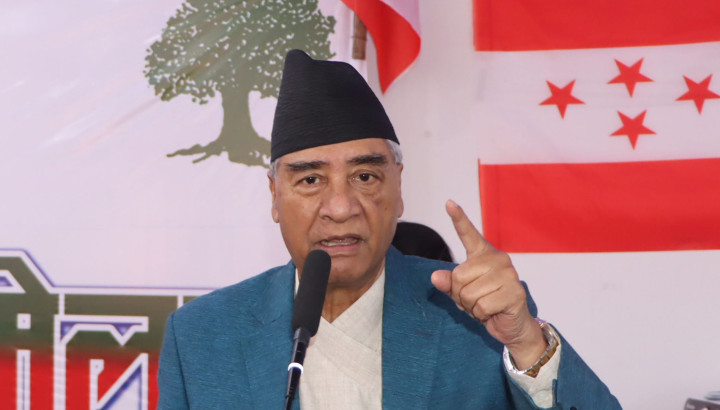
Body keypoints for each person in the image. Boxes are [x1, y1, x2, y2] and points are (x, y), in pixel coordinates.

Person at [157, 49, 621, 409]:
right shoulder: (202, 335)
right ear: (275, 196)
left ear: (398, 190)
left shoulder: (477, 317)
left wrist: (526, 342)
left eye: (365, 176)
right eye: (311, 180)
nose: (340, 208)